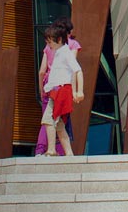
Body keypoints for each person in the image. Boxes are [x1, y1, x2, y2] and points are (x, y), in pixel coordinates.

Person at [36, 19, 82, 156]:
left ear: (60, 39)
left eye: (50, 41)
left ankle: (51, 150)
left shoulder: (65, 51)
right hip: (55, 90)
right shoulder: (59, 51)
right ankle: (68, 153)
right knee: (59, 124)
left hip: (61, 90)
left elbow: (76, 70)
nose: (47, 44)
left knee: (49, 120)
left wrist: (78, 91)